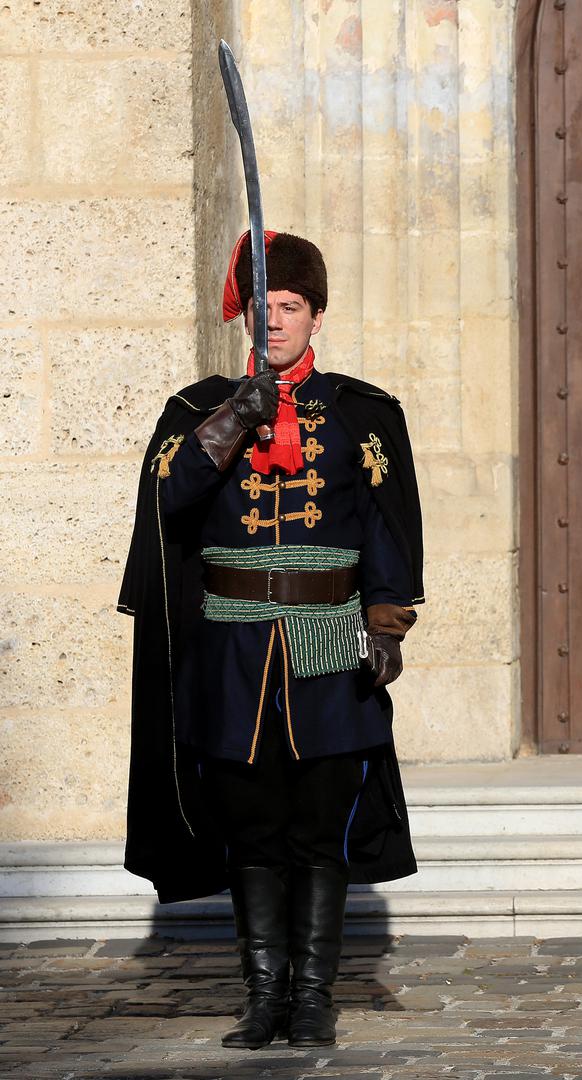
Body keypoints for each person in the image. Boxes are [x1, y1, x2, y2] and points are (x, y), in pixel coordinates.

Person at [119, 230, 424, 1049]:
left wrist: (387, 624)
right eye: (264, 307)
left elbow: (387, 532)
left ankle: (316, 996)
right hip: (234, 645)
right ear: (245, 316)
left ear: (316, 314)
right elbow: (169, 503)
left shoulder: (364, 412)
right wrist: (231, 424)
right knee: (251, 831)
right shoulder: (196, 411)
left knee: (316, 830)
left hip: (328, 634)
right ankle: (263, 997)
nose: (275, 321)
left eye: (290, 307)